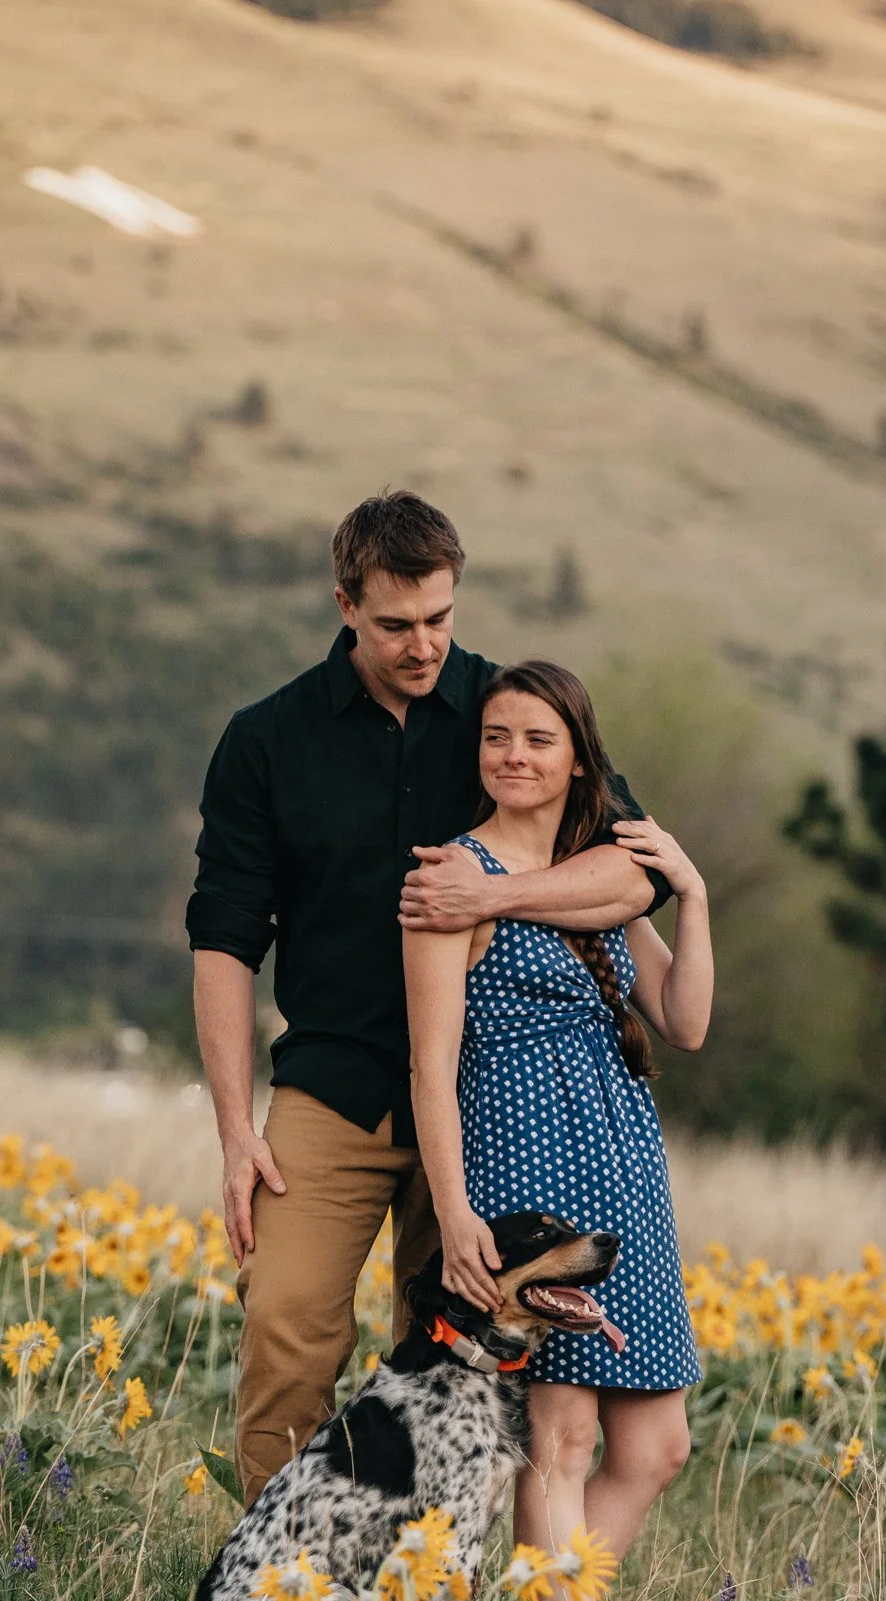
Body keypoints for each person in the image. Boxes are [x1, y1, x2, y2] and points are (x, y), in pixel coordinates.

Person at [188, 492, 666, 1503]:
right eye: (397, 624)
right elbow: (225, 941)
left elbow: (632, 874)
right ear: (344, 604)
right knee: (285, 1321)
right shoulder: (266, 741)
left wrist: (494, 893)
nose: (423, 645)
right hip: (335, 1087)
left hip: (491, 1100)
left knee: (460, 1359)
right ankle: (283, 1597)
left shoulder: (507, 714)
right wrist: (236, 1131)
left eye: (440, 619)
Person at [404, 661, 713, 1601]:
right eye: (497, 737)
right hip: (525, 1167)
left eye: (538, 739)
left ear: (578, 754)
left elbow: (686, 1020)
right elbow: (430, 1067)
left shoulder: (602, 880)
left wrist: (696, 894)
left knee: (656, 1444)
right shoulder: (451, 879)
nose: (514, 756)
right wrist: (454, 1211)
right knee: (564, 1440)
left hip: (626, 1164)